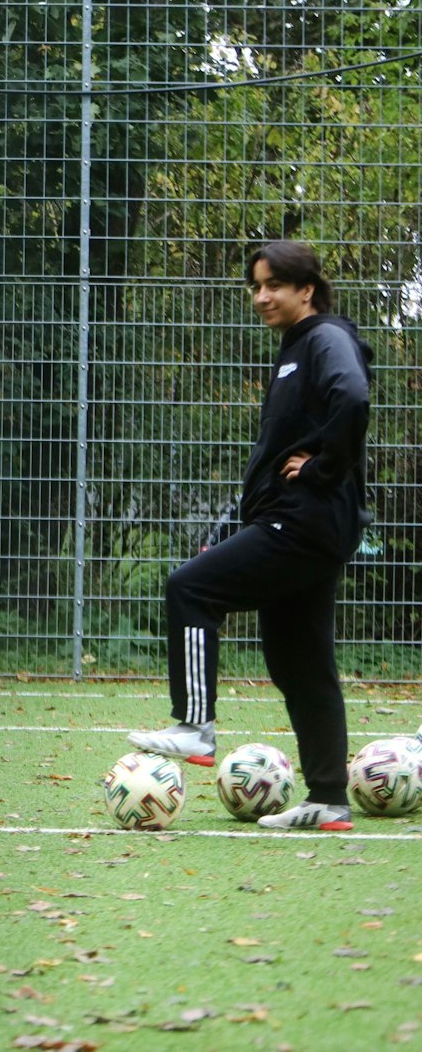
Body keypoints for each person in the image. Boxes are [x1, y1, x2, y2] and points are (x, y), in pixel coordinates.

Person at [127, 240, 370, 831]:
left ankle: (194, 727)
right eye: (254, 286)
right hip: (300, 523)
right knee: (301, 663)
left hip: (304, 521)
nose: (261, 297)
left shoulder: (324, 338)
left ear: (305, 289)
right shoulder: (295, 351)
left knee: (191, 588)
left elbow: (355, 398)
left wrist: (320, 469)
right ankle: (329, 799)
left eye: (273, 286)